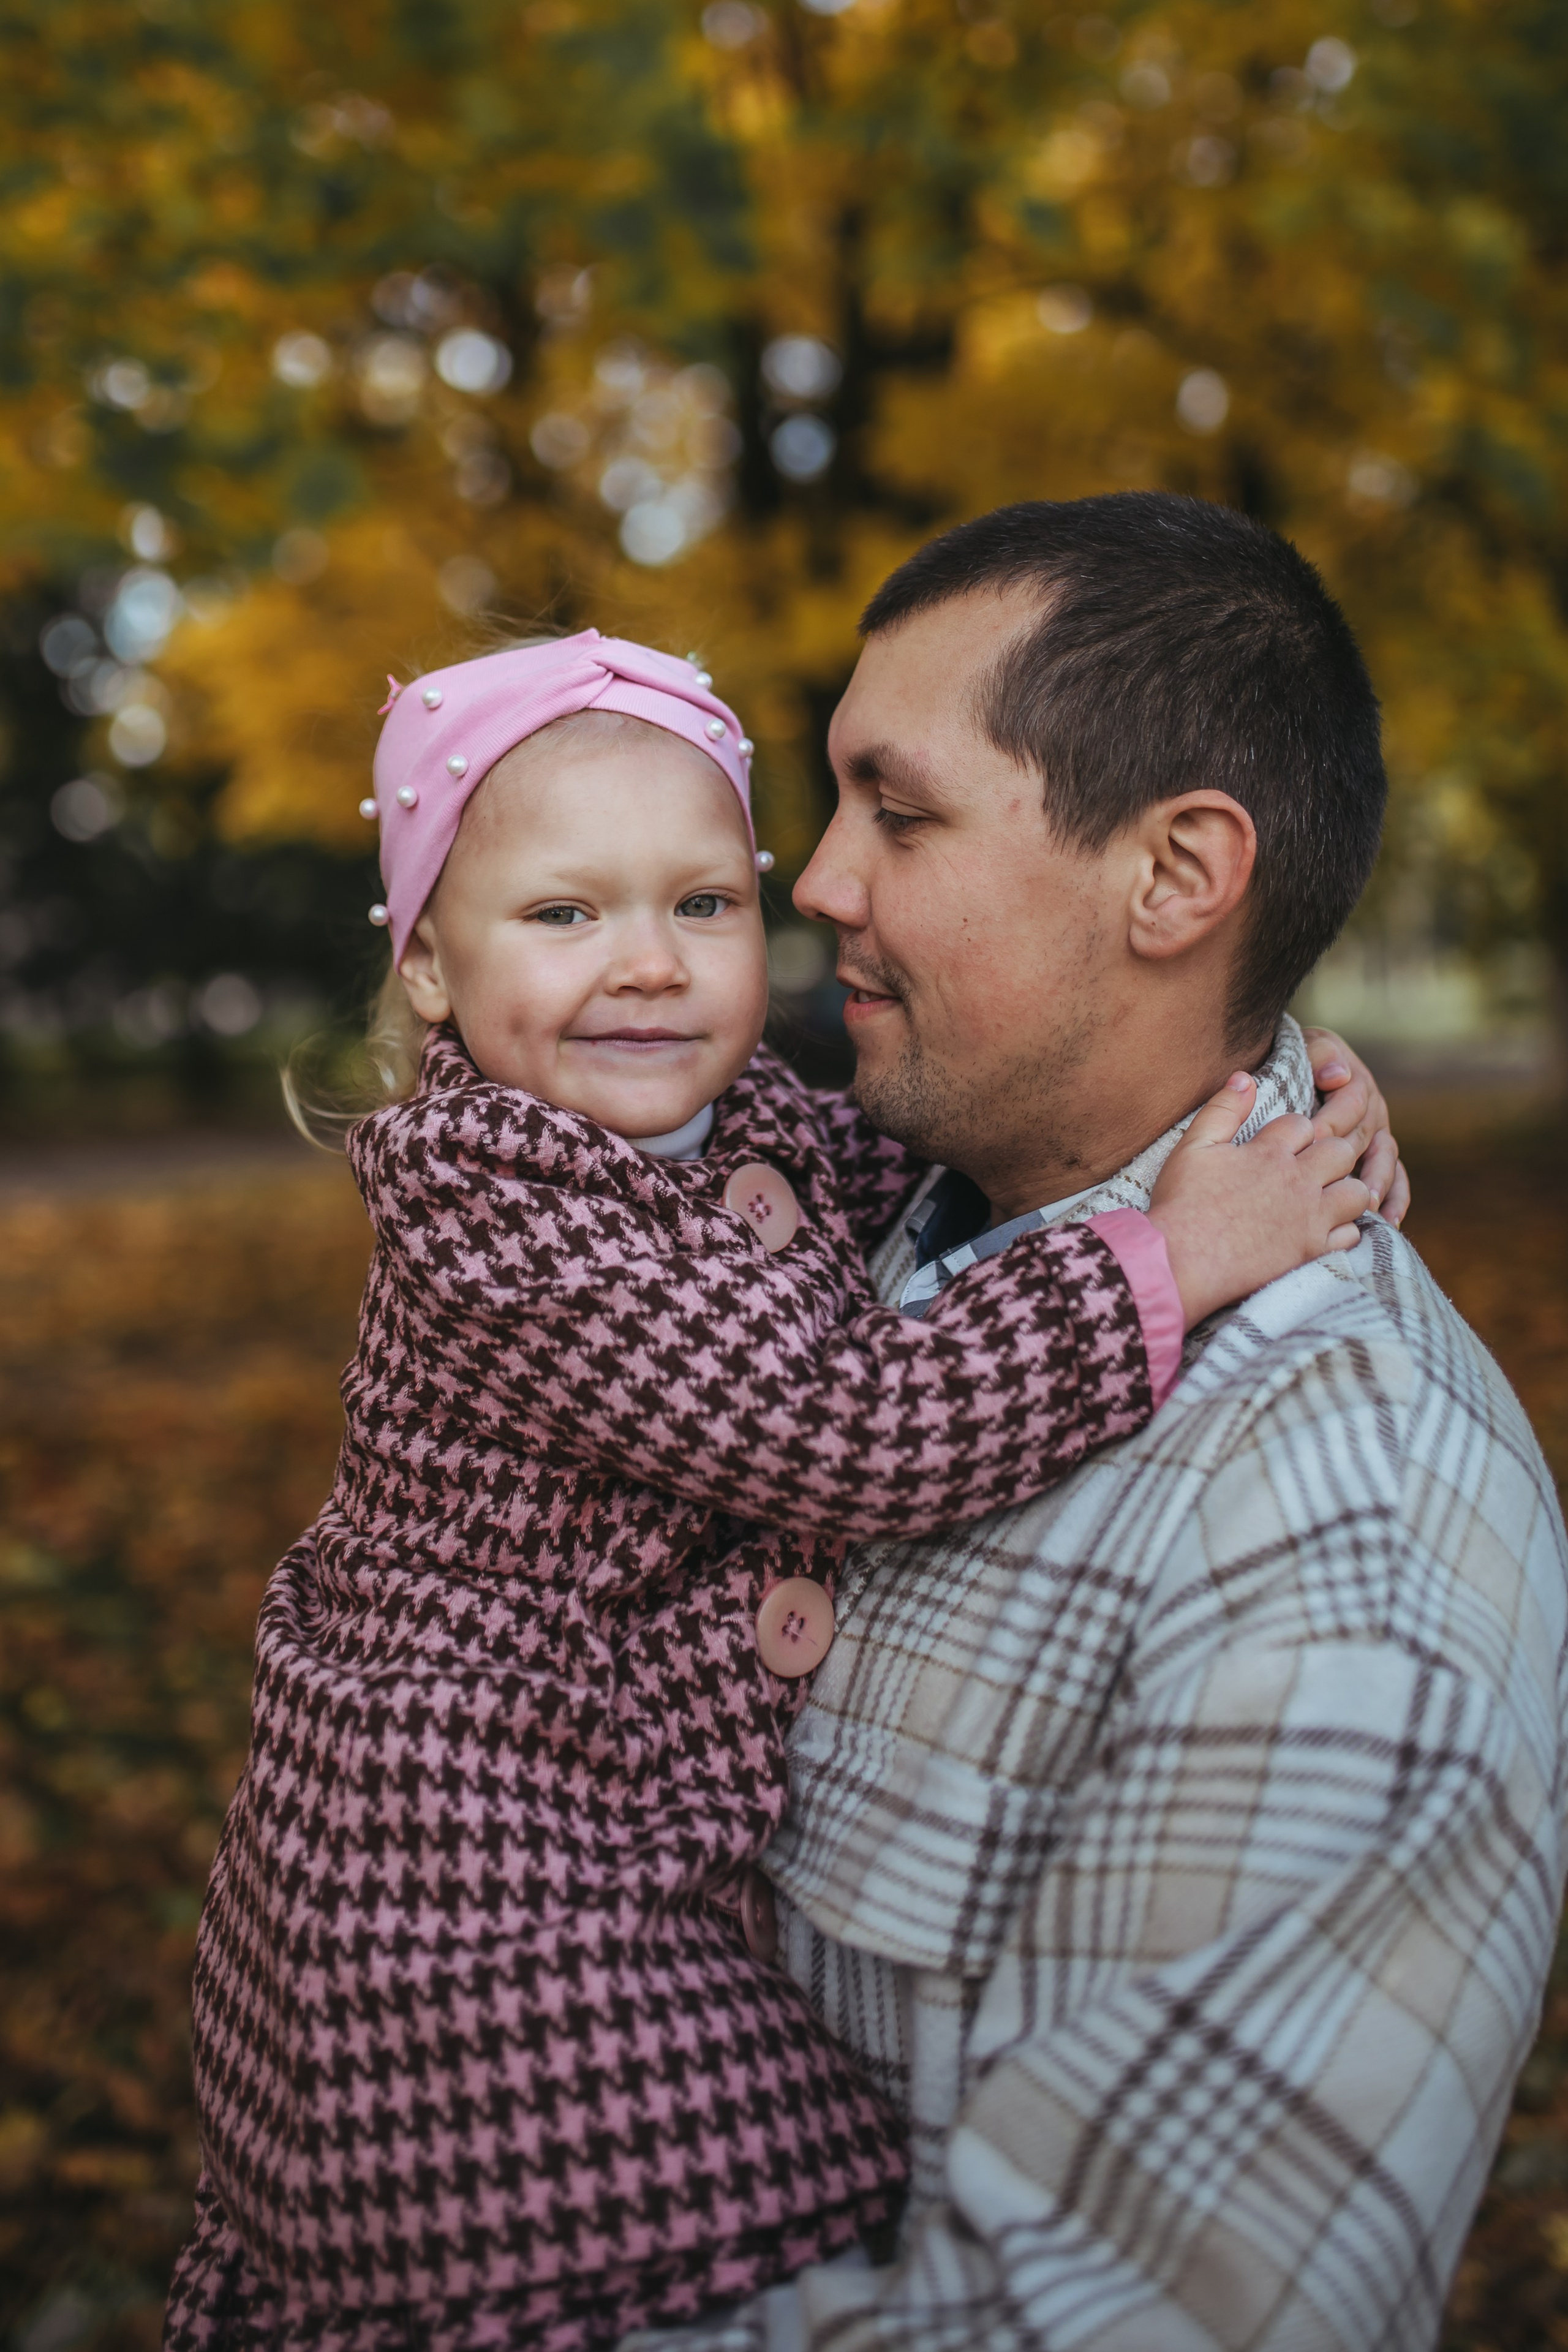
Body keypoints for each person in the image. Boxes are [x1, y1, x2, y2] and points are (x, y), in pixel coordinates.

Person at [162, 628, 1380, 2352]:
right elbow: (844, 1423)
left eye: (704, 905)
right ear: (431, 969)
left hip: (603, 1822)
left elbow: (990, 1155)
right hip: (469, 1876)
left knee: (767, 2190)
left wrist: (1261, 1083)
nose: (647, 965)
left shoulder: (743, 1130)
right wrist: (1171, 1260)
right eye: (565, 916)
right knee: (638, 2238)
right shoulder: (491, 1199)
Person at [492, 497, 1562, 2352]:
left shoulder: (1338, 1546)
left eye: (897, 813)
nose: (814, 883)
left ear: (1174, 879)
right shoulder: (868, 1211)